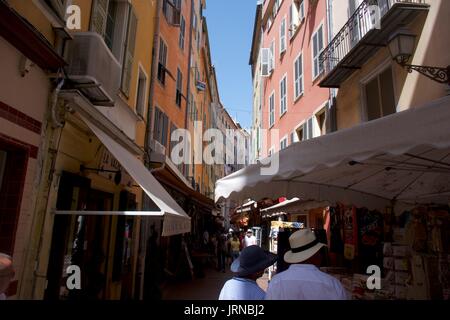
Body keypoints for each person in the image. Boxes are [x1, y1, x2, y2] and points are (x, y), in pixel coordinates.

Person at [266, 228, 349, 300]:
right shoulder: (332, 284)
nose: (321, 256)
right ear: (315, 254)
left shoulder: (276, 282)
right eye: (319, 252)